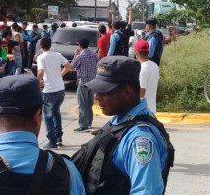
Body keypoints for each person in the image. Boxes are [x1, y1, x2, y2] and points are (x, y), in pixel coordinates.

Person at [71, 56, 175, 194]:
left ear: (127, 92)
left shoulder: (139, 139)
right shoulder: (120, 120)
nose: (97, 96)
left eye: (105, 91)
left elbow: (146, 191)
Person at [36, 37, 72, 149]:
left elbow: (40, 72)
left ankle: (52, 141)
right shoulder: (57, 55)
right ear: (50, 45)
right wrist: (60, 75)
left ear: (41, 46)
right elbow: (68, 66)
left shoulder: (41, 57)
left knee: (48, 116)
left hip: (49, 90)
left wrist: (38, 82)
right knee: (56, 113)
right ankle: (58, 138)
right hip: (60, 89)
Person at [71, 38, 98, 132]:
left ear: (80, 45)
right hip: (92, 82)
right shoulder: (94, 55)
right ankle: (89, 122)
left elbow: (72, 66)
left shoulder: (80, 57)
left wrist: (75, 54)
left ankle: (83, 125)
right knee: (90, 104)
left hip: (83, 83)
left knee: (82, 105)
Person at [135, 39, 160, 114]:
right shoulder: (155, 65)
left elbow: (142, 92)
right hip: (152, 109)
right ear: (148, 52)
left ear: (136, 53)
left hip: (143, 111)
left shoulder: (142, 69)